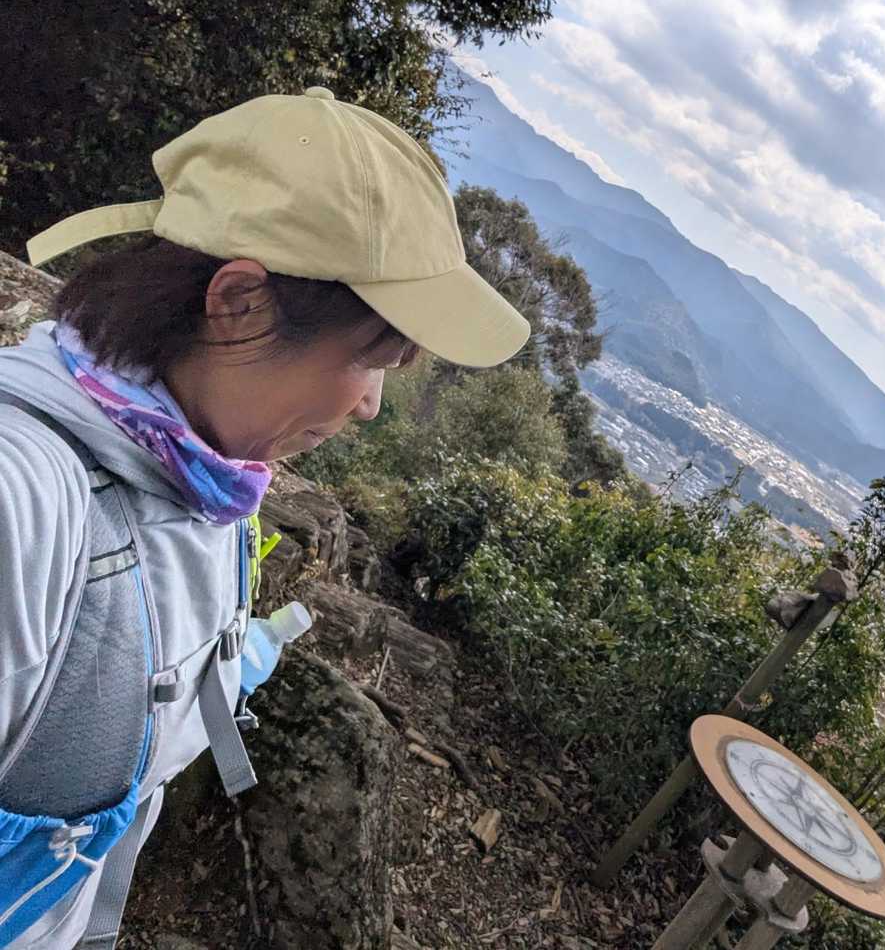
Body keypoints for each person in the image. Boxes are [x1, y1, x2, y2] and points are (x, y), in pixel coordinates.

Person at [0, 86, 529, 948]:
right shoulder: (22, 506)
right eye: (373, 359)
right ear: (239, 301)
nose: (370, 407)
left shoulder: (200, 471)